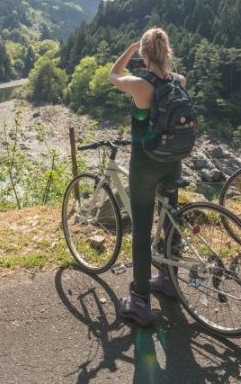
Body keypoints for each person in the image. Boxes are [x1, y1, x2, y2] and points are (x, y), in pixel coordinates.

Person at [108, 27, 185, 326]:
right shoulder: (179, 81)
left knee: (141, 227)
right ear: (167, 53)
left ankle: (140, 300)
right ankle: (169, 278)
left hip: (145, 163)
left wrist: (128, 51)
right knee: (171, 219)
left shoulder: (140, 85)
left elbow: (113, 75)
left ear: (143, 54)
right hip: (173, 161)